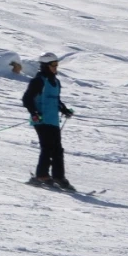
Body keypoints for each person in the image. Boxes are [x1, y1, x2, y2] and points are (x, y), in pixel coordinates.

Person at [22, 52, 76, 189]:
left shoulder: (55, 82)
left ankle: (58, 176)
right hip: (41, 119)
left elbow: (56, 100)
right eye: (53, 64)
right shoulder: (38, 81)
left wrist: (64, 110)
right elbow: (27, 99)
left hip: (52, 120)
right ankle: (42, 175)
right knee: (47, 147)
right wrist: (34, 113)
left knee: (57, 149)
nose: (55, 67)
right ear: (45, 66)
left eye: (56, 64)